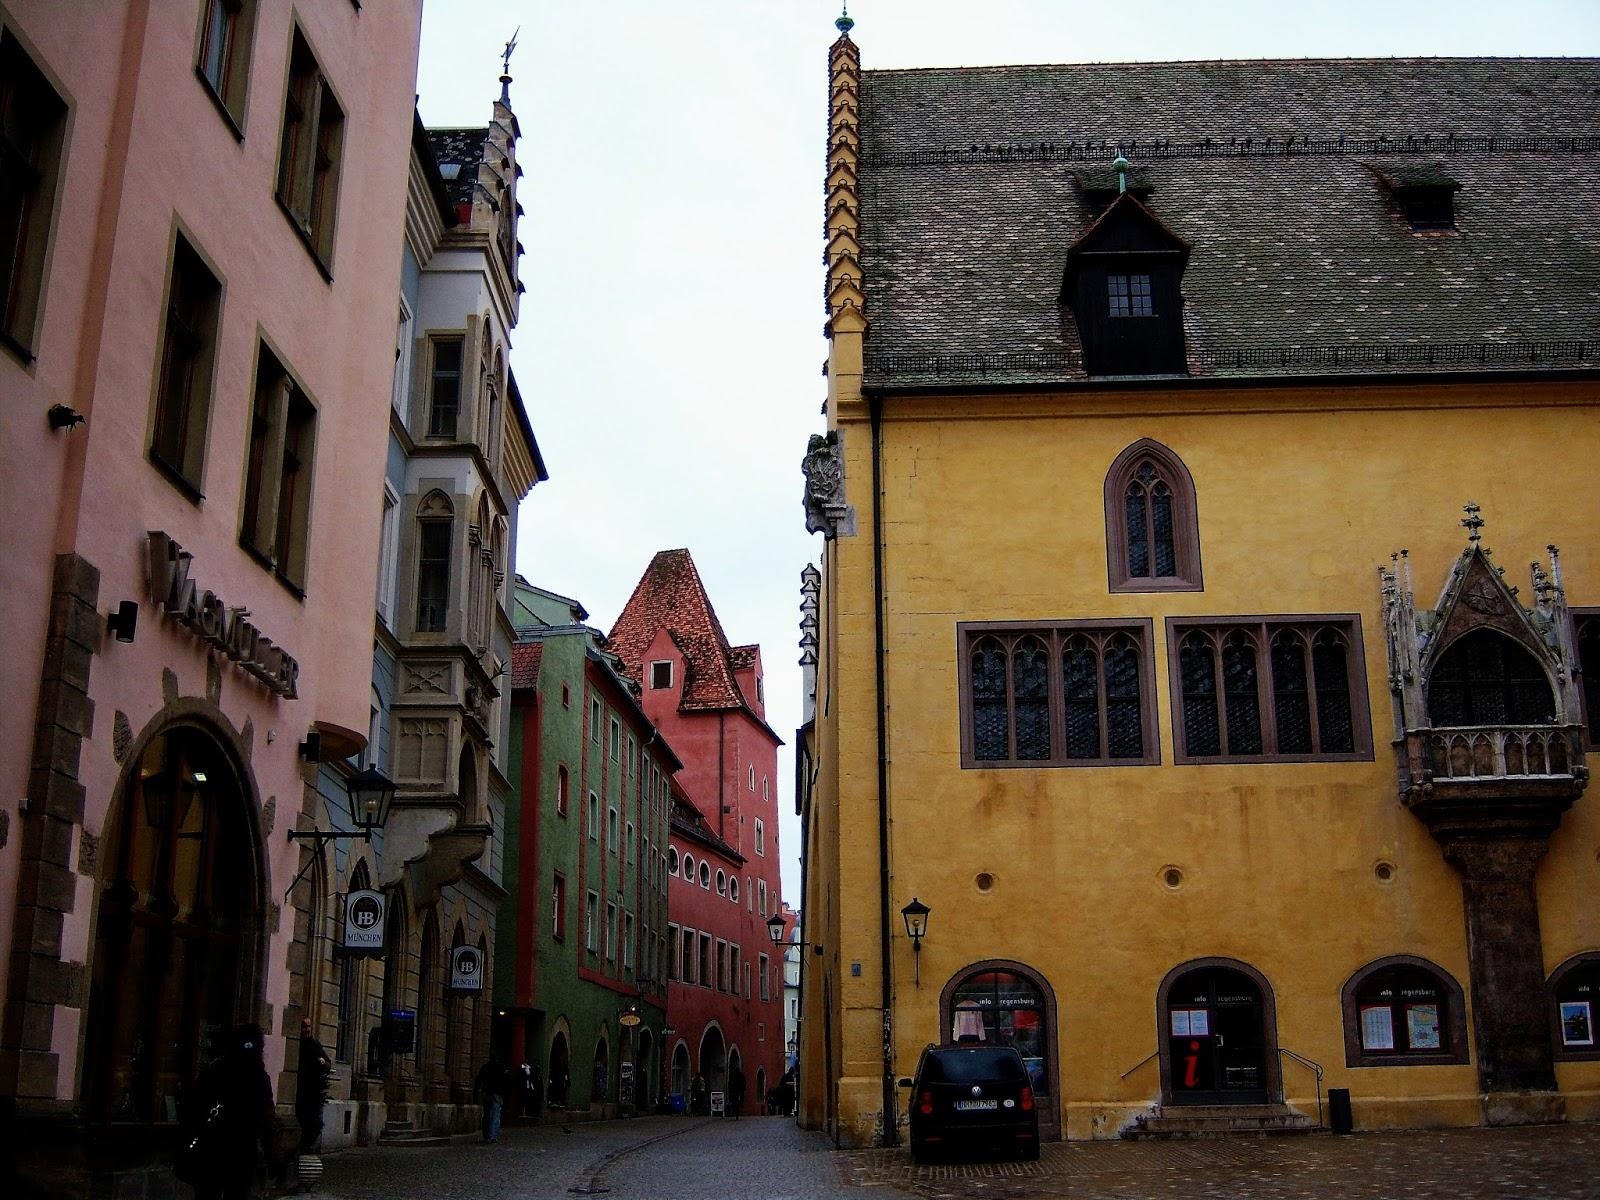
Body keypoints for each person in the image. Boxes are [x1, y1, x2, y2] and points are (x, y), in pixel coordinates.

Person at [179, 1023, 281, 1200]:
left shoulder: (215, 1070)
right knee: (235, 1192)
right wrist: (273, 1159)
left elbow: (193, 1107)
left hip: (213, 1149)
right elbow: (267, 1121)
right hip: (240, 1151)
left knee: (208, 1192)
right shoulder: (258, 1077)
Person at [295, 1018, 331, 1156]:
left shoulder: (315, 1045)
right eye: (304, 1027)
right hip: (300, 1089)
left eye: (308, 1026)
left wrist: (323, 1063)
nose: (307, 1029)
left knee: (315, 1123)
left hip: (313, 1090)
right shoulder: (297, 1044)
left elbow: (328, 1064)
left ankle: (305, 1148)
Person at [474, 1057, 510, 1143]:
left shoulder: (485, 1067)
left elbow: (479, 1079)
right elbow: (506, 1082)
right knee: (495, 1115)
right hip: (497, 1094)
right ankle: (492, 1135)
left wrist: (478, 1091)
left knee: (486, 1115)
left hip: (487, 1093)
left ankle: (486, 1135)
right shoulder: (502, 1068)